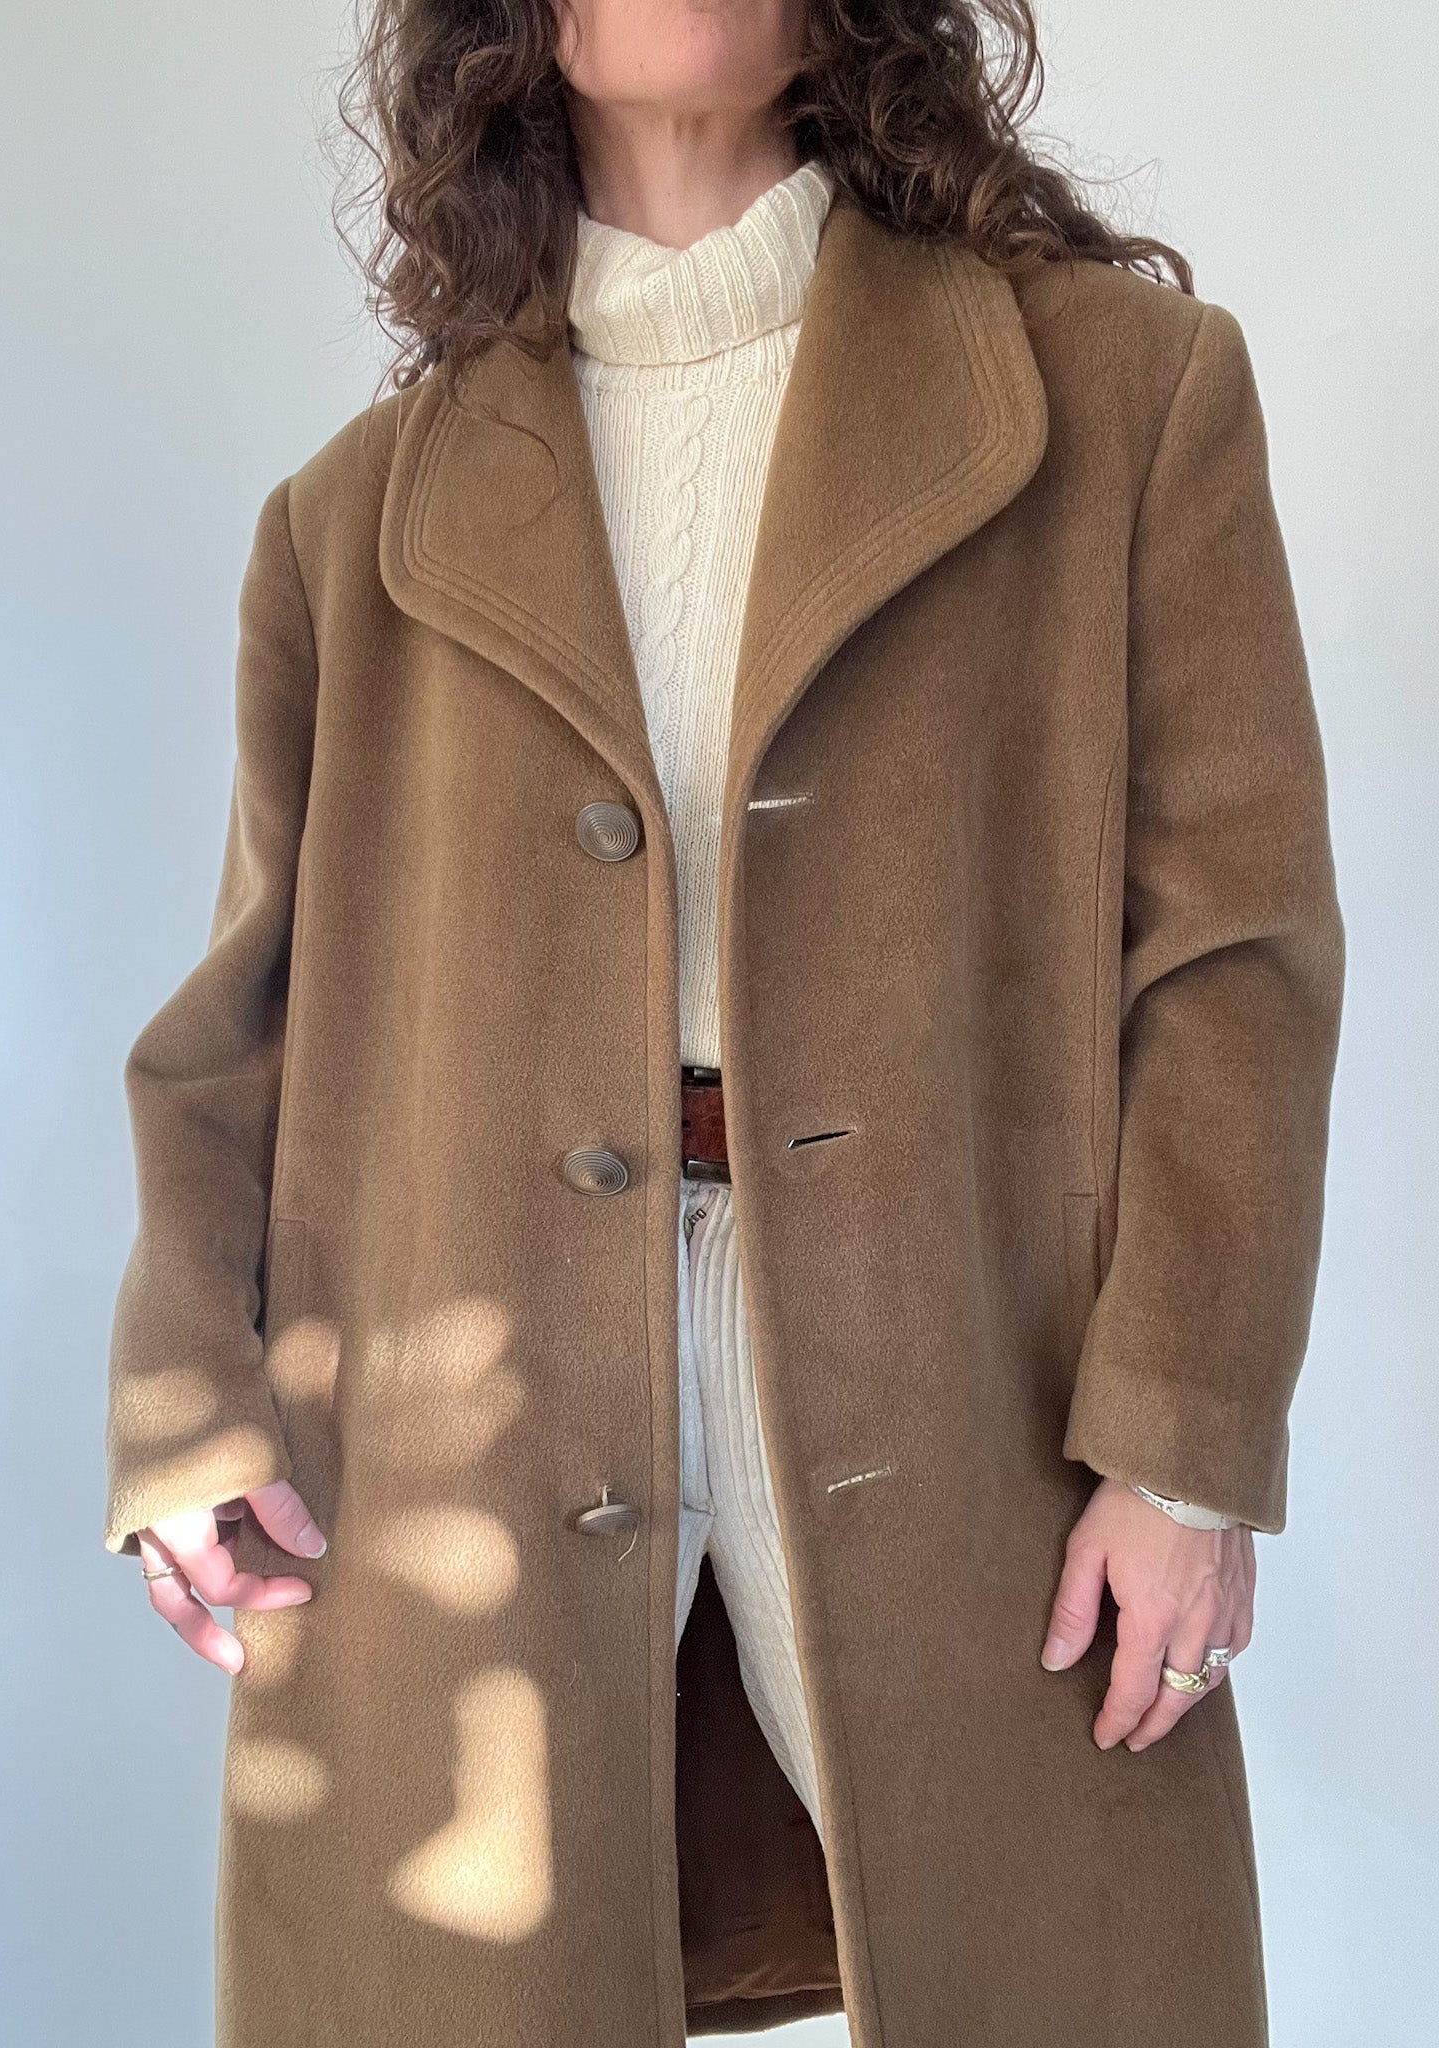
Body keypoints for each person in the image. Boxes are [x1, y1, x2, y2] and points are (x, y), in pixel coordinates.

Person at [102, 3, 1343, 2044]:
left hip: (979, 1378)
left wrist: (1187, 1446)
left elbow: (1235, 959)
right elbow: (242, 1022)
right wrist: (184, 1399)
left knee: (1063, 1973)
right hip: (455, 1410)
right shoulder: (351, 523)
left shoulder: (1123, 395)